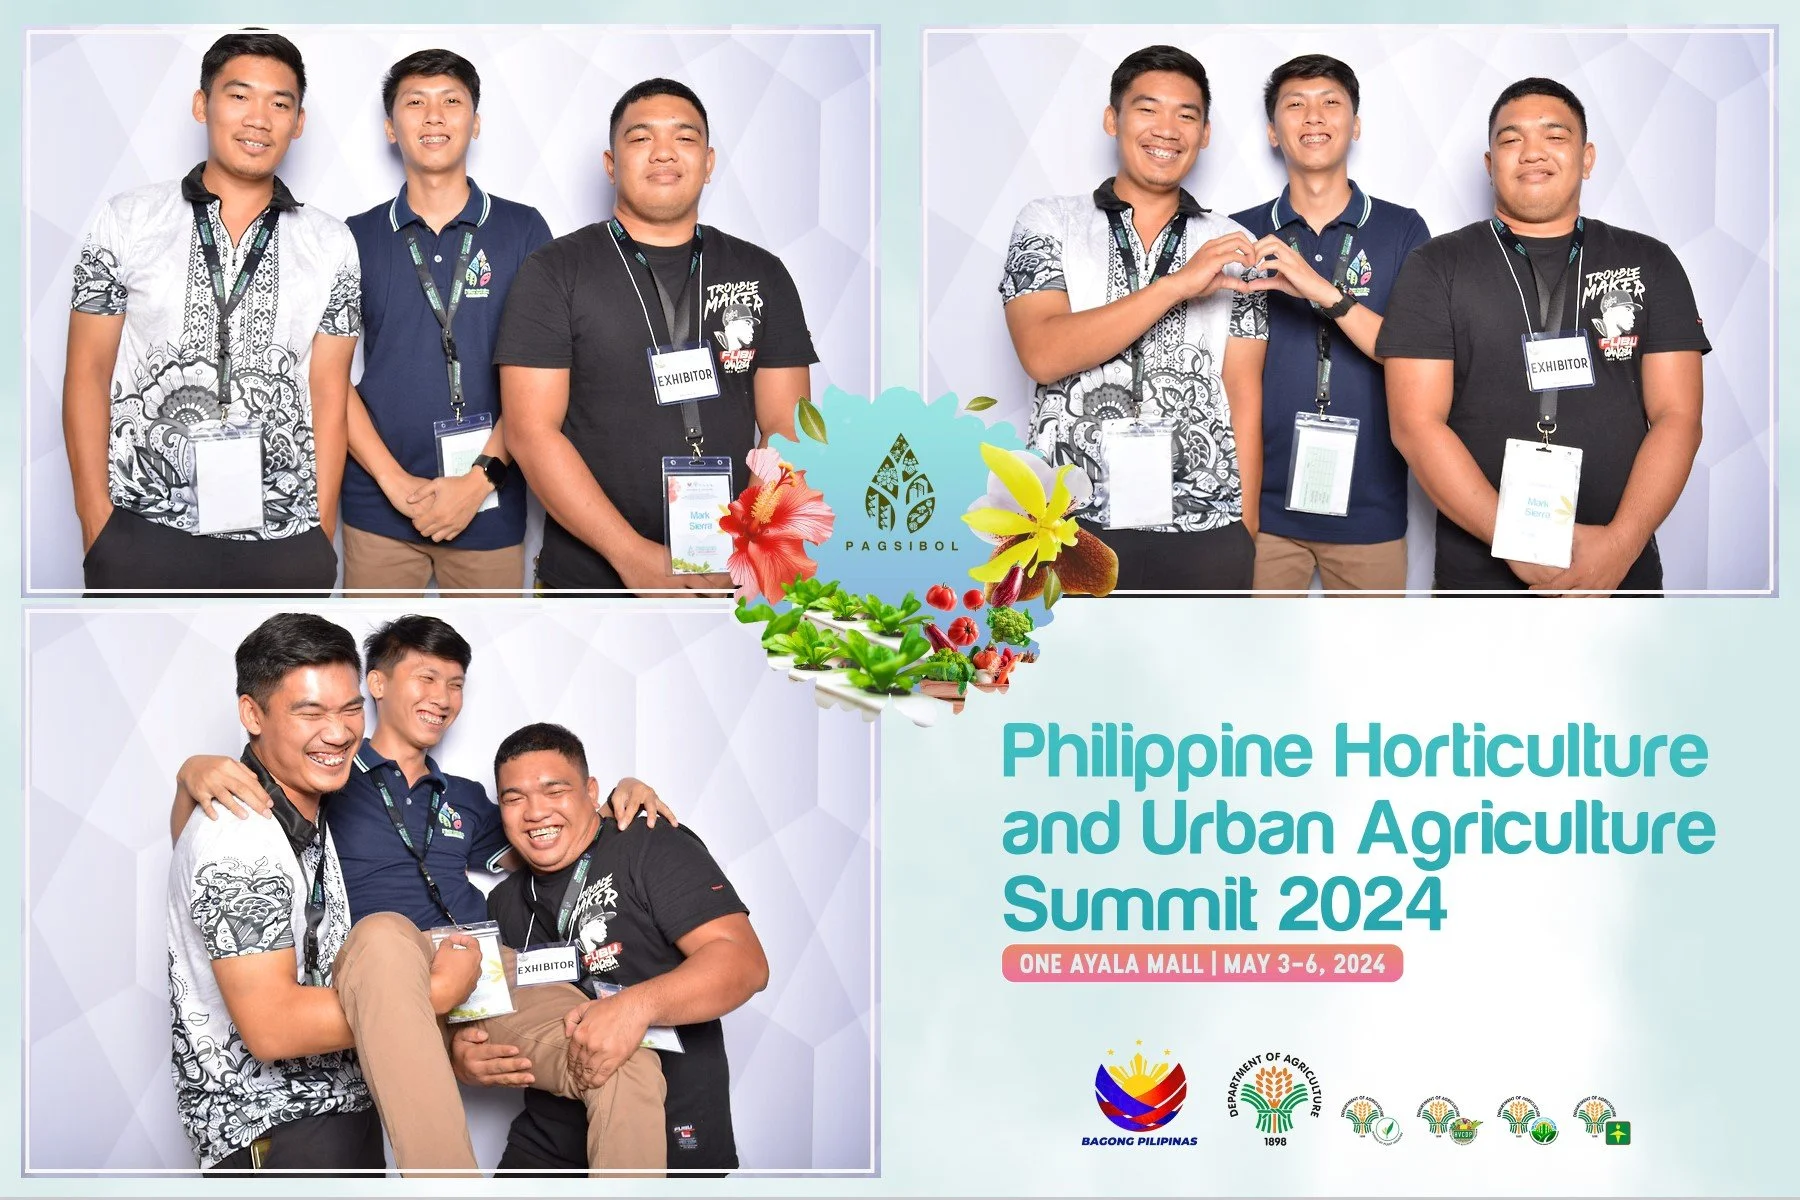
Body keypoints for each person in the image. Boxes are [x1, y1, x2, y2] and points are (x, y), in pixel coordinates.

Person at [174, 614, 676, 1174]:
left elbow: (550, 834)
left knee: (621, 1054)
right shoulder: (330, 775)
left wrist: (614, 797)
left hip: (480, 962)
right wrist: (192, 774)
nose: (442, 697)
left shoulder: (462, 796)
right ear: (379, 684)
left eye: (455, 683)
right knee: (385, 933)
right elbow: (211, 857)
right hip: (387, 965)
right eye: (426, 678)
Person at [167, 612, 484, 1174]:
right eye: (309, 712)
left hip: (332, 1118)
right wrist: (436, 994)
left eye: (348, 709)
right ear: (251, 714)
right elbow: (273, 1026)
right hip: (279, 1131)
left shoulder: (301, 815)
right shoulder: (240, 837)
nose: (338, 732)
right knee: (383, 934)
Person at [1379, 77, 1709, 594]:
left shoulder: (1650, 261)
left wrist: (1621, 546)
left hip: (1620, 569)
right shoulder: (1436, 266)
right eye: (1511, 140)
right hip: (1481, 578)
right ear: (1489, 165)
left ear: (1588, 157)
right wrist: (1516, 539)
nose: (1532, 153)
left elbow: (1679, 417)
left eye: (1554, 136)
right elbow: (1416, 425)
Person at [496, 78, 818, 593]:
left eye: (684, 139)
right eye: (641, 138)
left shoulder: (762, 272)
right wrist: (632, 555)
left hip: (733, 575)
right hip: (589, 580)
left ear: (709, 163)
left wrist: (751, 539)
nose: (664, 152)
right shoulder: (554, 271)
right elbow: (531, 432)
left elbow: (787, 425)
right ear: (611, 163)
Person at [66, 31, 357, 594]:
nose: (260, 118)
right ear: (202, 105)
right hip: (142, 524)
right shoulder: (127, 221)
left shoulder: (331, 242)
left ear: (298, 122)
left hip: (284, 533)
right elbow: (87, 372)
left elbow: (329, 389)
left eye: (280, 103)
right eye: (239, 96)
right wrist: (96, 522)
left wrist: (319, 528)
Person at [999, 44, 1268, 590]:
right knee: (1070, 676)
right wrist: (1175, 286)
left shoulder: (1232, 245)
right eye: (1147, 109)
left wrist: (1247, 524)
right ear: (1112, 119)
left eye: (1186, 114)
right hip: (1066, 524)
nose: (1166, 129)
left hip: (1205, 522)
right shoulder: (1049, 222)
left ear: (1206, 133)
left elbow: (1242, 388)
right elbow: (1043, 354)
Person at [452, 723, 769, 1175]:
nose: (535, 812)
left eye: (554, 790)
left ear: (591, 791)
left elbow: (744, 963)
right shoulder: (503, 902)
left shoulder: (648, 844)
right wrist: (464, 1058)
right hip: (546, 1148)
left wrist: (634, 1007)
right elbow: (489, 1017)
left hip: (665, 1136)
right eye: (513, 798)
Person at [342, 50, 552, 595]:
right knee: (378, 661)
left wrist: (478, 482)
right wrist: (393, 483)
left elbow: (542, 382)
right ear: (391, 127)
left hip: (490, 502)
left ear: (475, 122)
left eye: (451, 101)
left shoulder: (524, 230)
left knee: (494, 657)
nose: (433, 116)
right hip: (378, 507)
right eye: (415, 103)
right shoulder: (353, 237)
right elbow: (326, 376)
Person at [1229, 55, 1430, 593]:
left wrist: (1321, 292)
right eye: (1295, 105)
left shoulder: (1403, 229)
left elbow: (1413, 357)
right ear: (1273, 131)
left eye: (1330, 103)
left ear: (1355, 125)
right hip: (1260, 512)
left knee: (1369, 671)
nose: (1312, 117)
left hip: (1371, 513)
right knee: (1252, 667)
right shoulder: (1236, 234)